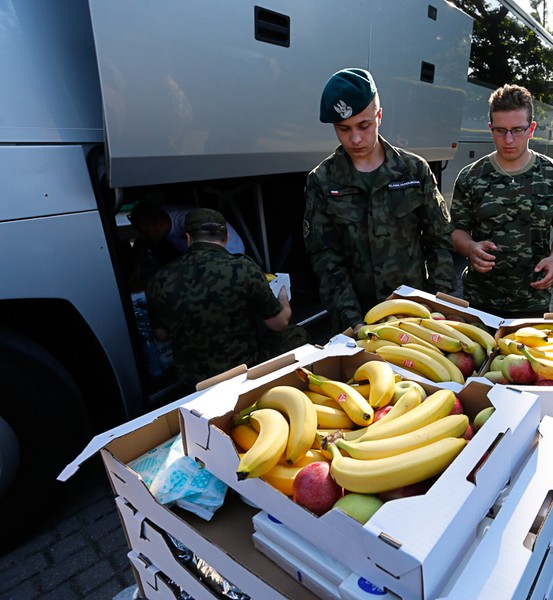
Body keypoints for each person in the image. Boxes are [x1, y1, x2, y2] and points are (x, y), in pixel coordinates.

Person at [303, 68, 455, 330]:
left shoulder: (413, 170)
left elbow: (439, 240)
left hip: (415, 313)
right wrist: (353, 322)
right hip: (358, 319)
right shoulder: (322, 181)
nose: (355, 138)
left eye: (364, 126)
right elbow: (327, 260)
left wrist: (437, 304)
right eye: (343, 129)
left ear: (379, 116)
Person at [450, 84, 553, 318]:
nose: (508, 139)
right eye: (500, 130)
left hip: (534, 300)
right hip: (480, 300)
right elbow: (457, 231)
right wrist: (470, 248)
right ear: (490, 129)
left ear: (531, 129)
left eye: (517, 130)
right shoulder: (471, 176)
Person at [146, 208, 307, 388]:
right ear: (227, 237)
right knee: (296, 334)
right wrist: (284, 300)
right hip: (244, 369)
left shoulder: (159, 280)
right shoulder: (243, 268)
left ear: (188, 238)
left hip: (193, 380)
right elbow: (279, 323)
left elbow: (161, 334)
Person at [129, 201, 246, 259]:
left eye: (146, 232)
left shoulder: (187, 224)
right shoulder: (159, 218)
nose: (144, 236)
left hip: (226, 256)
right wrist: (136, 268)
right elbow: (142, 241)